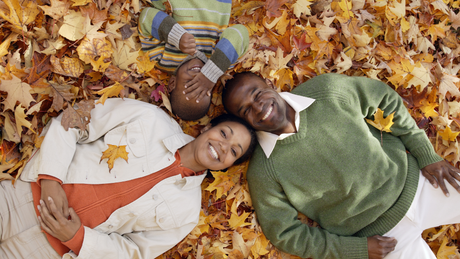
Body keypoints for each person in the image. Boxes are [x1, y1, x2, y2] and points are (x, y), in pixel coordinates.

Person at [222, 72, 460, 259]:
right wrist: (354, 250)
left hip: (419, 185)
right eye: (245, 110)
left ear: (267, 82)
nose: (258, 107)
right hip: (383, 239)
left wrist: (426, 154)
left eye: (257, 93)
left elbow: (384, 100)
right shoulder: (264, 171)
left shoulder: (326, 91)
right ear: (242, 121)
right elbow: (285, 234)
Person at [0, 98, 257, 259]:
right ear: (209, 127)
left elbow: (133, 253)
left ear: (228, 166)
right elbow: (76, 116)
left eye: (234, 151)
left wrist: (76, 237)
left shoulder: (186, 213)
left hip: (46, 253)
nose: (224, 147)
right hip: (18, 201)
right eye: (225, 133)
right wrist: (50, 180)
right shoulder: (151, 119)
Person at [138, 0, 249, 121]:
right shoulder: (220, 61)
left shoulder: (161, 60)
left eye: (190, 83)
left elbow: (145, 18)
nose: (199, 76)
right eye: (204, 87)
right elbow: (240, 33)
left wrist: (176, 36)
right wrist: (212, 72)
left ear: (172, 83)